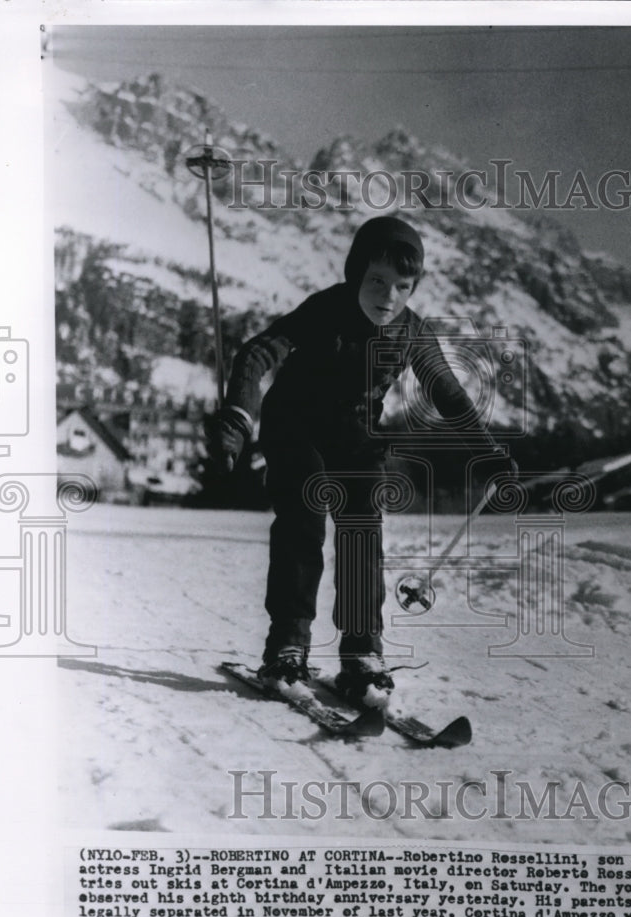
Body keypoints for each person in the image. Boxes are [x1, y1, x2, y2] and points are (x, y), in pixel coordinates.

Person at [211, 215, 513, 707]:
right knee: (304, 518)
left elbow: (450, 394)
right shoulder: (323, 309)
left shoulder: (412, 333)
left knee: (362, 525)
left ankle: (361, 653)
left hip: (354, 432)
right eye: (377, 281)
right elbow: (256, 353)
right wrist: (238, 418)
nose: (388, 296)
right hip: (295, 423)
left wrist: (488, 456)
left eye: (402, 286)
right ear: (356, 274)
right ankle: (287, 646)